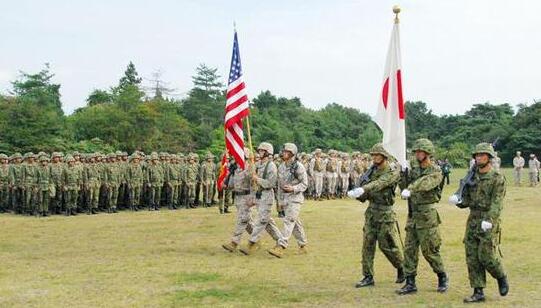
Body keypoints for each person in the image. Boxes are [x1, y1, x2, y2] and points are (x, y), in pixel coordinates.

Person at [449, 143, 509, 303]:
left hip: (488, 220)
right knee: (472, 257)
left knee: (487, 256)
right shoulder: (471, 176)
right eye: (476, 155)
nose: (478, 157)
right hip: (473, 220)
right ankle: (478, 291)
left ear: (489, 158)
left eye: (482, 155)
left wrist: (489, 220)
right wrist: (458, 200)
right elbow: (467, 199)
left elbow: (497, 203)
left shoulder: (497, 178)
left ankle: (501, 276)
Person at [347, 143, 404, 288]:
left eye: (376, 155)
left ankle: (401, 267)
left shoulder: (392, 170)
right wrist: (358, 194)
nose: (374, 157)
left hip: (385, 213)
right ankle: (368, 276)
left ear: (384, 156)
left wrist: (363, 188)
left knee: (388, 246)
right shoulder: (371, 171)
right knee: (368, 245)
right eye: (372, 155)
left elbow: (381, 183)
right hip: (372, 212)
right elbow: (365, 193)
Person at [397, 139, 448, 295]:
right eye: (416, 152)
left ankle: (442, 276)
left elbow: (426, 183)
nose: (418, 154)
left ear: (428, 154)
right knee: (410, 250)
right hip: (413, 214)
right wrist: (403, 173)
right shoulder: (414, 169)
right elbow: (403, 186)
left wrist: (411, 188)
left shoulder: (435, 170)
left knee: (429, 250)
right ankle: (410, 281)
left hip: (427, 215)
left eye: (421, 152)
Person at [239, 142, 282, 255]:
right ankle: (280, 240)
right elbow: (250, 176)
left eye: (262, 151)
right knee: (266, 221)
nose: (260, 152)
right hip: (258, 194)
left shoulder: (271, 166)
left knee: (262, 219)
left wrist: (257, 179)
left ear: (268, 152)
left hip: (267, 194)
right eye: (259, 150)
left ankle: (252, 243)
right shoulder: (258, 164)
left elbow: (270, 183)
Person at [268, 143, 308, 258]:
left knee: (289, 220)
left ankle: (281, 246)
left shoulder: (298, 167)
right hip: (285, 198)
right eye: (283, 151)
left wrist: (293, 188)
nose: (283, 153)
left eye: (286, 152)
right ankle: (303, 244)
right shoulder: (281, 166)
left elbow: (305, 184)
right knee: (294, 222)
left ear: (292, 154)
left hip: (295, 198)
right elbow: (280, 186)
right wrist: (279, 202)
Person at [222, 148, 255, 252]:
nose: (234, 157)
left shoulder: (249, 168)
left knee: (242, 220)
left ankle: (234, 242)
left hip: (246, 197)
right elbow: (232, 184)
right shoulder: (236, 168)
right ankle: (256, 239)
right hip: (238, 197)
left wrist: (253, 198)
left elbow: (254, 185)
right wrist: (226, 184)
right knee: (247, 221)